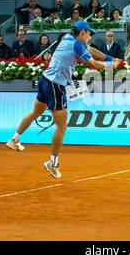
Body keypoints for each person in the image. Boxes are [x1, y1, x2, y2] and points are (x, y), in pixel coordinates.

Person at [6, 21, 120, 179]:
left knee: (35, 112)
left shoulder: (67, 38)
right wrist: (110, 65)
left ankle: (14, 139)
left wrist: (110, 57)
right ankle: (53, 164)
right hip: (56, 86)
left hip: (45, 80)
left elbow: (90, 50)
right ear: (82, 33)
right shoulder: (77, 45)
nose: (90, 36)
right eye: (89, 34)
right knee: (62, 127)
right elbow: (92, 64)